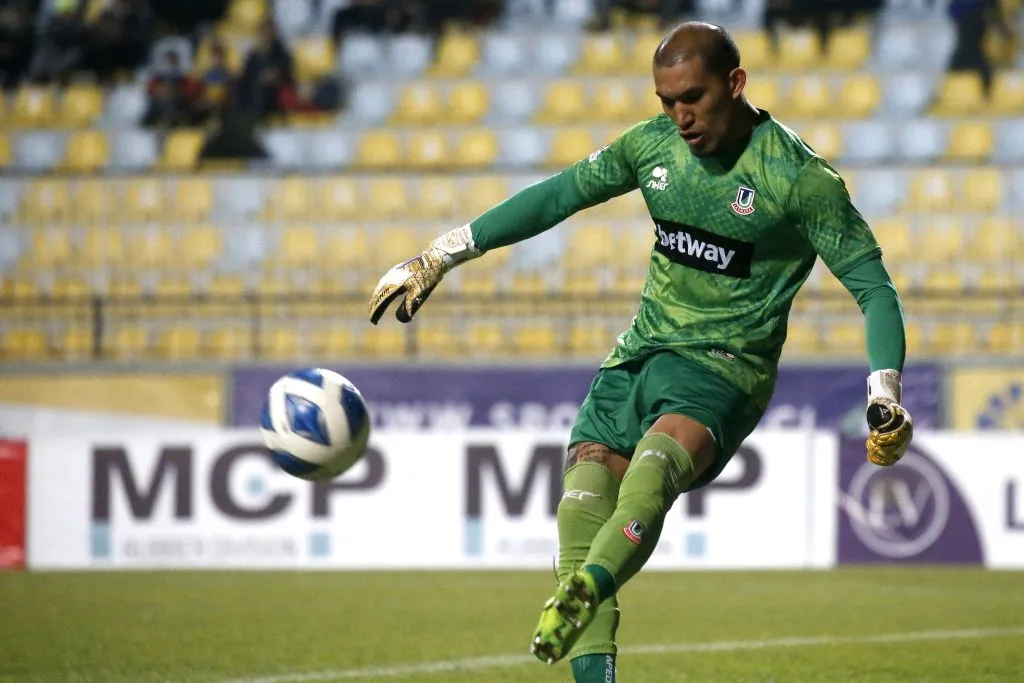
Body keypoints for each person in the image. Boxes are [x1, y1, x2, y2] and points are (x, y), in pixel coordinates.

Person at [368, 21, 914, 683]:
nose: (679, 116)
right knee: (579, 509)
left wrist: (883, 390)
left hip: (723, 367)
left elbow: (872, 287)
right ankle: (591, 625)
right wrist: (441, 253)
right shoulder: (652, 148)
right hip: (638, 355)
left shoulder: (798, 178)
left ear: (736, 84)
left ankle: (589, 587)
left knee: (652, 471)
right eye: (666, 101)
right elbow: (559, 195)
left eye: (694, 97)